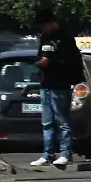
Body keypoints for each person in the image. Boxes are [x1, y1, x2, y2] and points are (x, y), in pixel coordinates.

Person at [33, 11, 85, 169]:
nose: (44, 29)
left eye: (45, 25)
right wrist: (40, 63)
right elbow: (39, 56)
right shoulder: (44, 38)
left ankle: (65, 153)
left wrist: (52, 64)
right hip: (46, 84)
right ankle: (47, 154)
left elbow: (72, 62)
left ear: (53, 22)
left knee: (62, 121)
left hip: (60, 85)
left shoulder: (65, 39)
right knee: (47, 123)